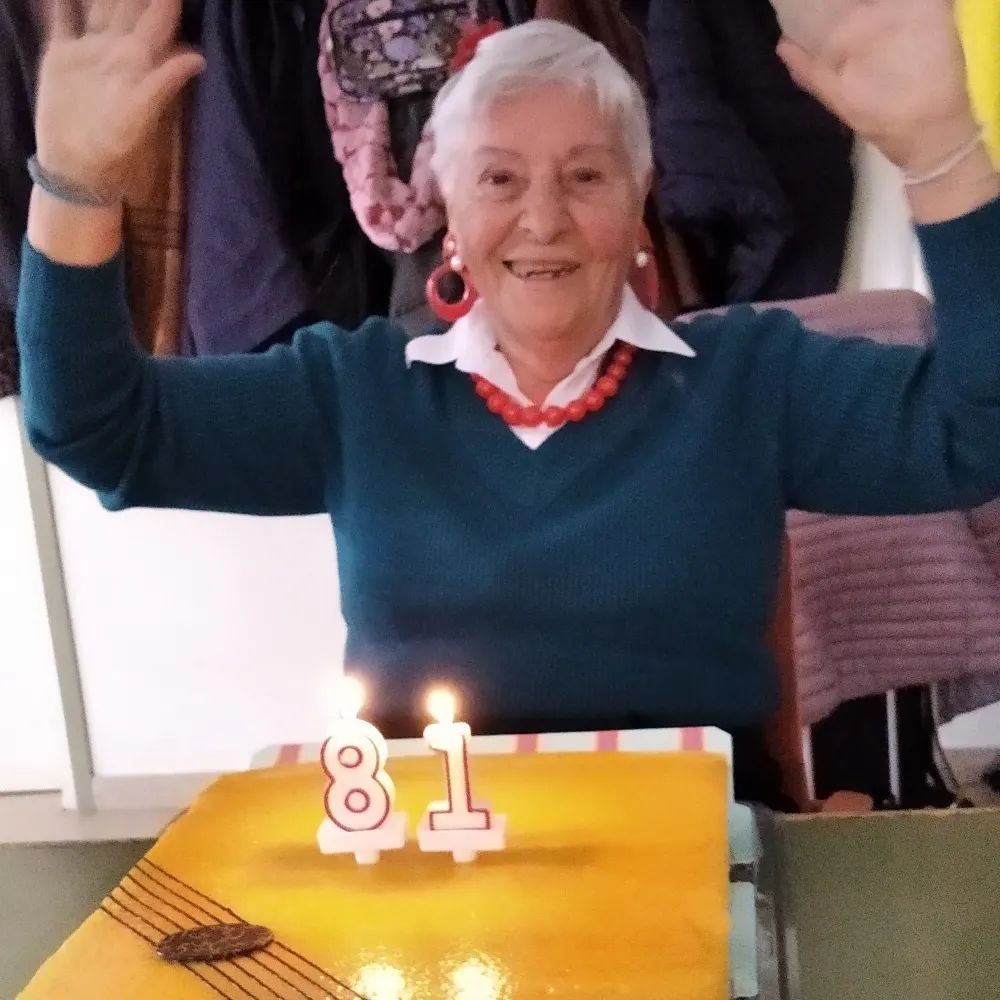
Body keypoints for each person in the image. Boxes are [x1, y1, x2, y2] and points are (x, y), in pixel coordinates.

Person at [16, 0, 1000, 809]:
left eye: (585, 176)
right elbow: (98, 429)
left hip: (704, 866)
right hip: (426, 880)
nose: (542, 218)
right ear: (447, 206)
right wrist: (75, 188)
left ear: (639, 197)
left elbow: (976, 431)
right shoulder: (357, 390)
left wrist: (940, 150)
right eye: (499, 178)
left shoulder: (751, 377)